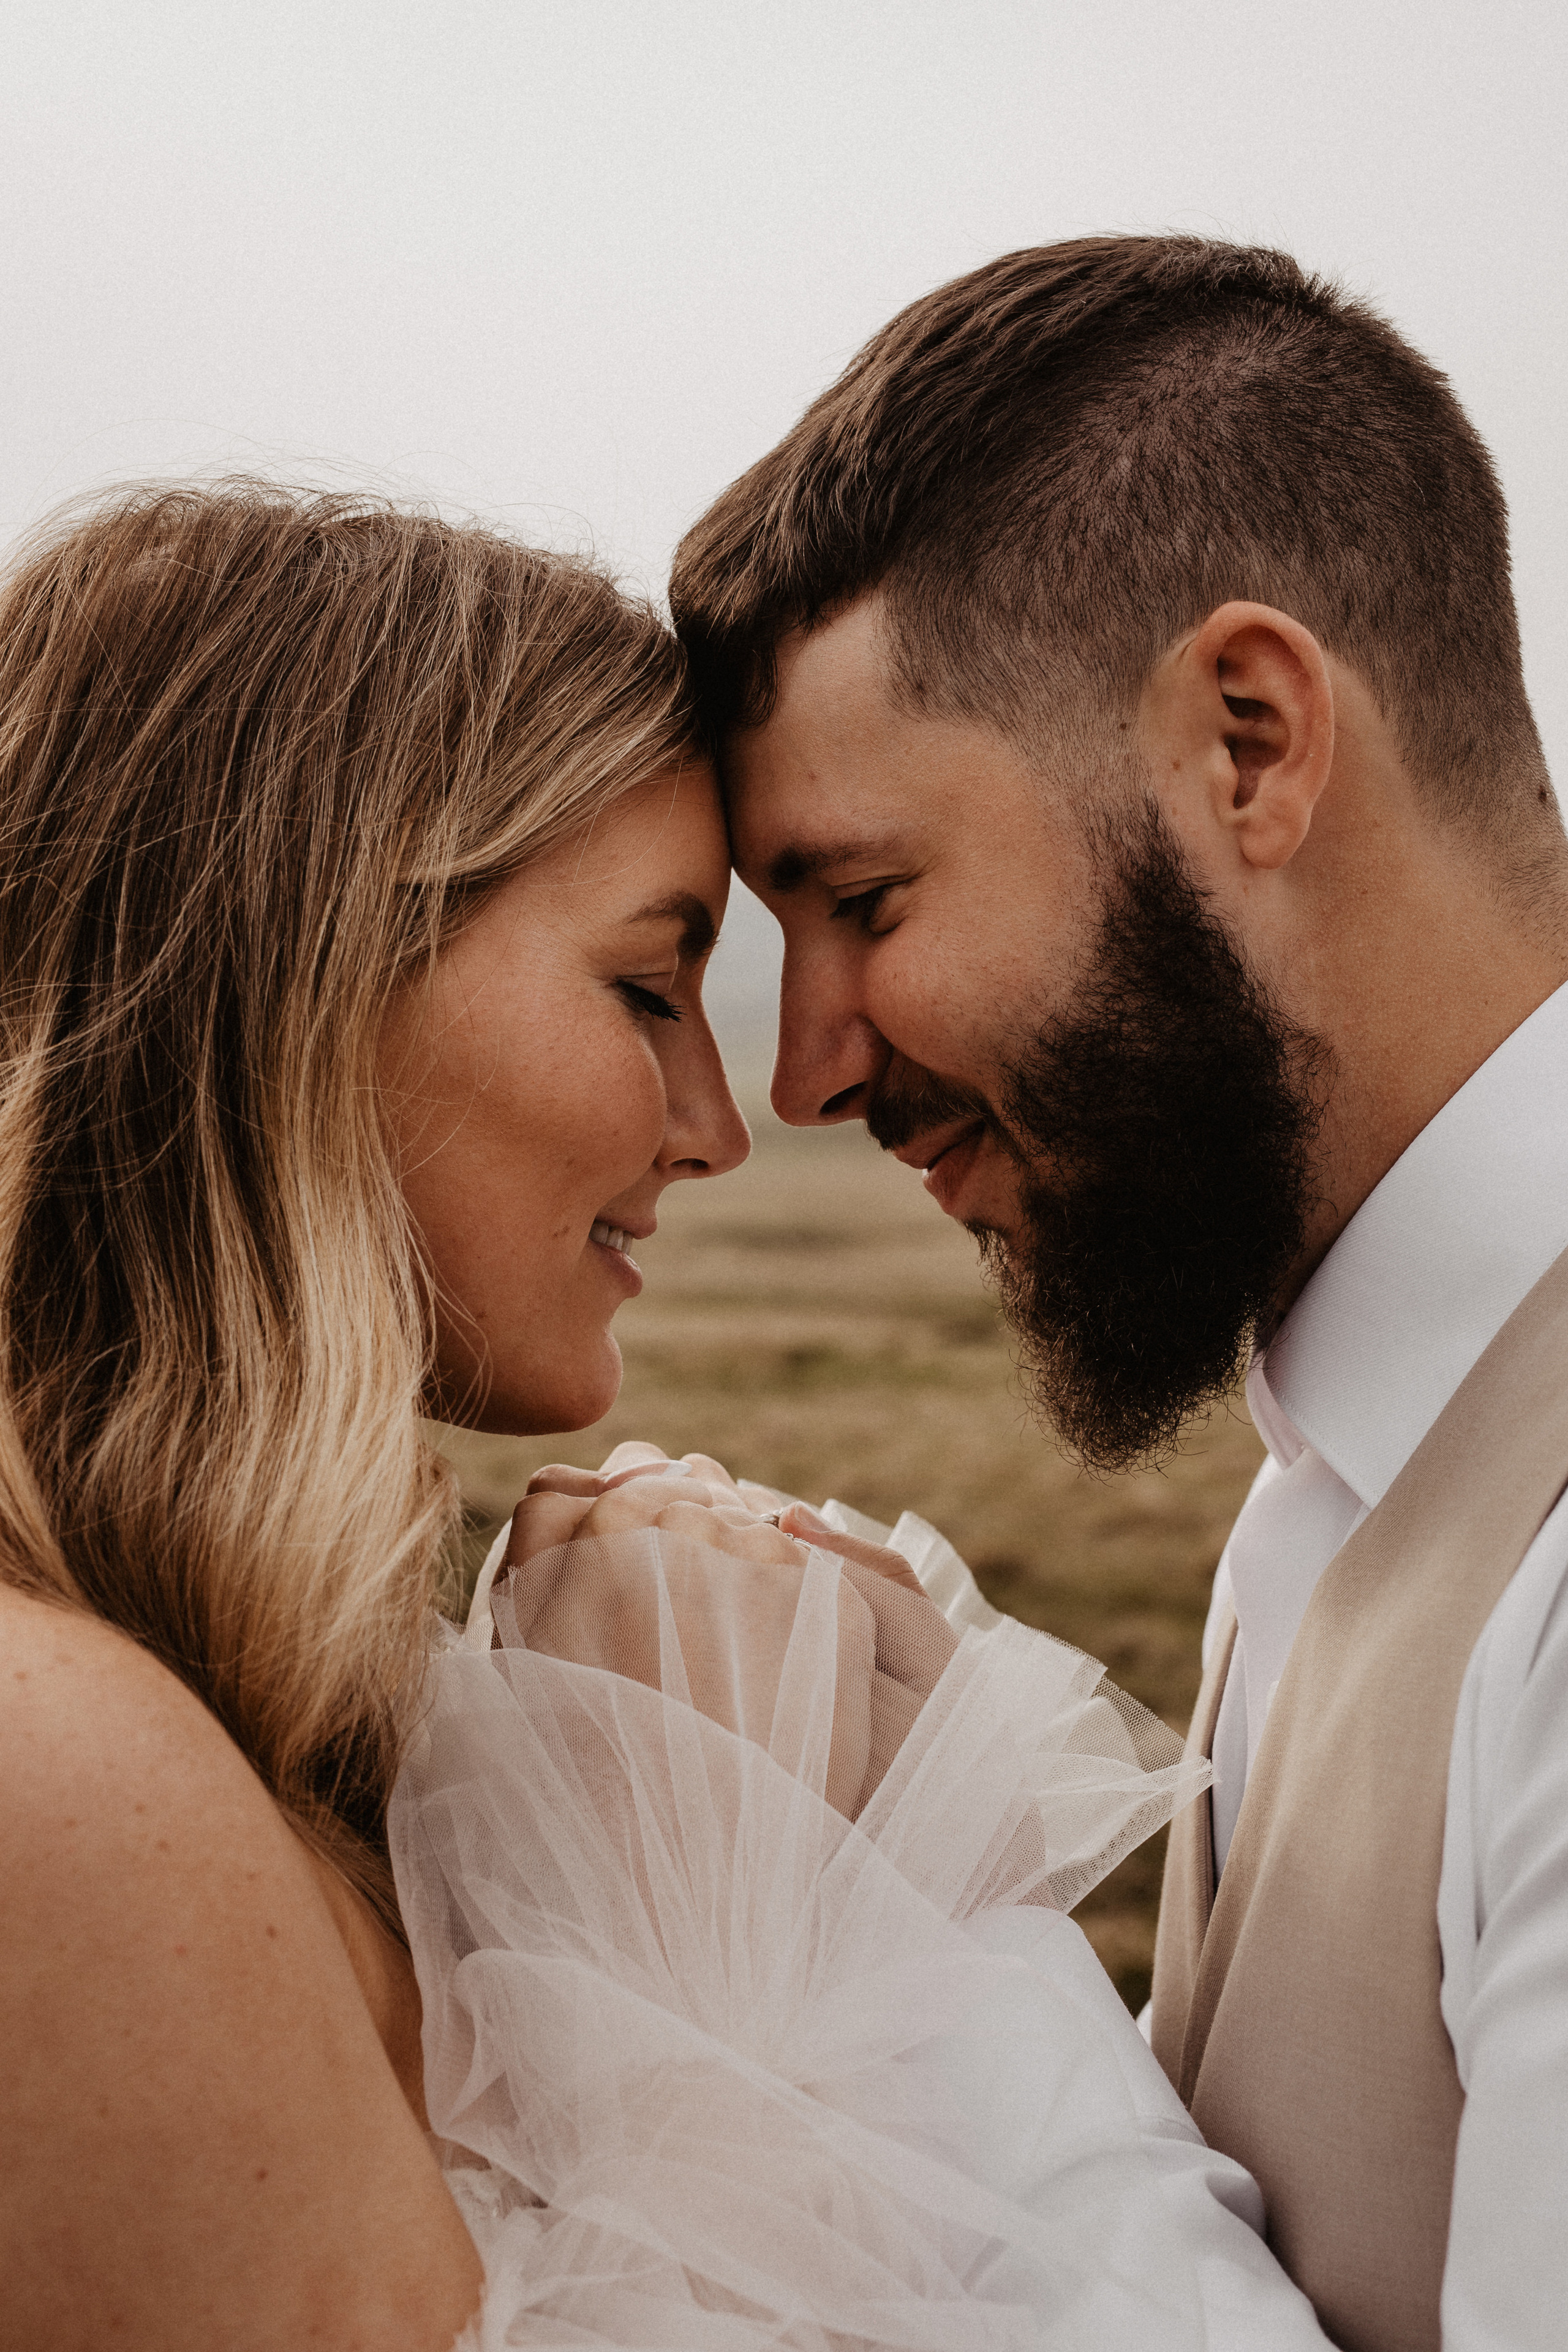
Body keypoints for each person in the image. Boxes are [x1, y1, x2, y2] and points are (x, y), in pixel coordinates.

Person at [0, 481, 1327, 2350]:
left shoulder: (238, 1715)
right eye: (646, 987)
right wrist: (741, 1932)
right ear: (289, 986)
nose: (718, 1124)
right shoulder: (56, 1774)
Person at [669, 235, 1568, 2352]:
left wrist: (928, 1934)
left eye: (864, 897)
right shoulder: (1339, 1474)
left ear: (1247, 744)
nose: (805, 1075)